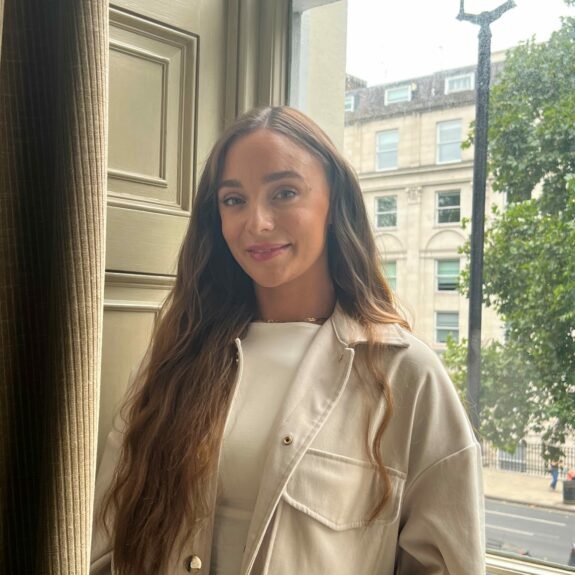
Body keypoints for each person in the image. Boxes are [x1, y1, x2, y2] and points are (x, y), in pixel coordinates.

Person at [90, 106, 485, 575]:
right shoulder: (175, 357)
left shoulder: (406, 375)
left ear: (333, 202)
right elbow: (108, 537)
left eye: (284, 193)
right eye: (233, 200)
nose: (257, 222)